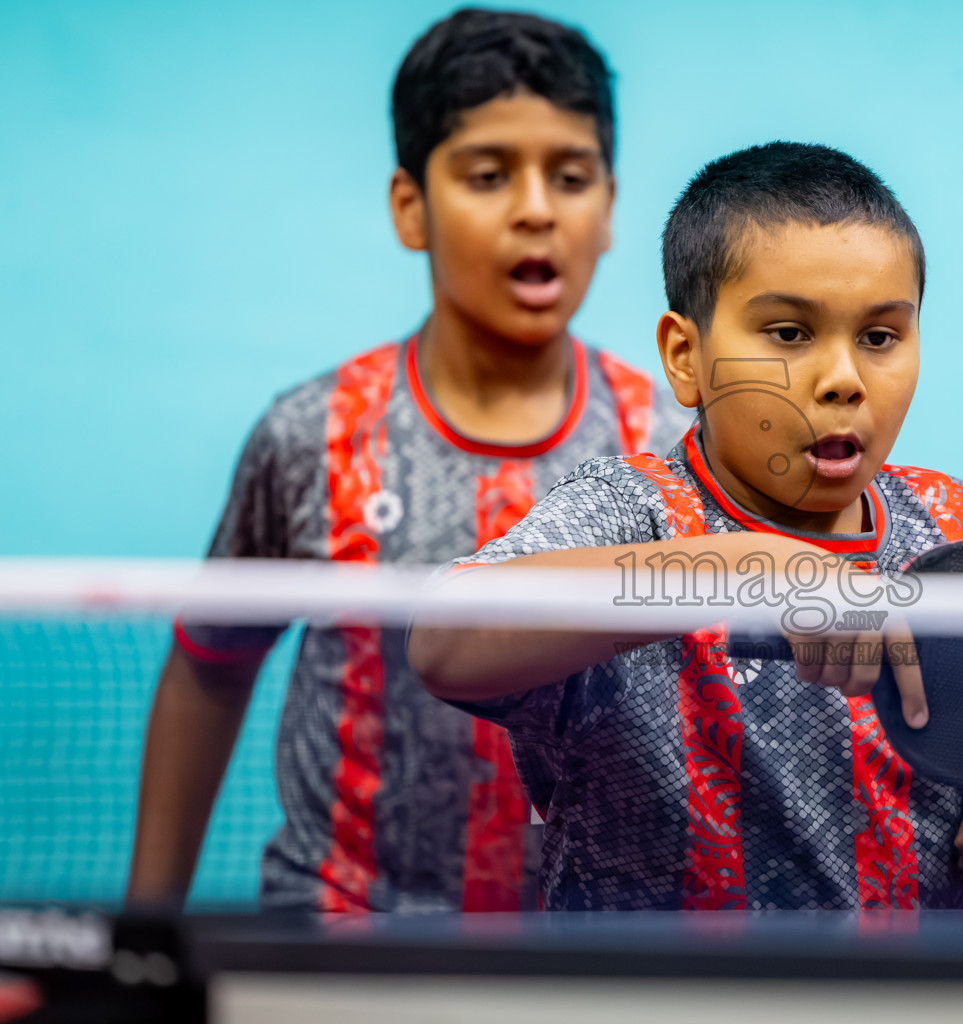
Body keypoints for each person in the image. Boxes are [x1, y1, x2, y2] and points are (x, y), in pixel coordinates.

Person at [409, 142, 963, 910]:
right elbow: (445, 637)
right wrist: (745, 567)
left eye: (880, 337)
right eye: (790, 335)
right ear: (686, 355)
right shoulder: (630, 513)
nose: (843, 380)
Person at [127, 9, 693, 913]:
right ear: (409, 207)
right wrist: (142, 927)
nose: (537, 208)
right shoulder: (311, 435)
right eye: (488, 174)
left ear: (610, 208)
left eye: (571, 175)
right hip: (340, 931)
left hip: (587, 949)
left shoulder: (671, 445)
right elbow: (210, 663)